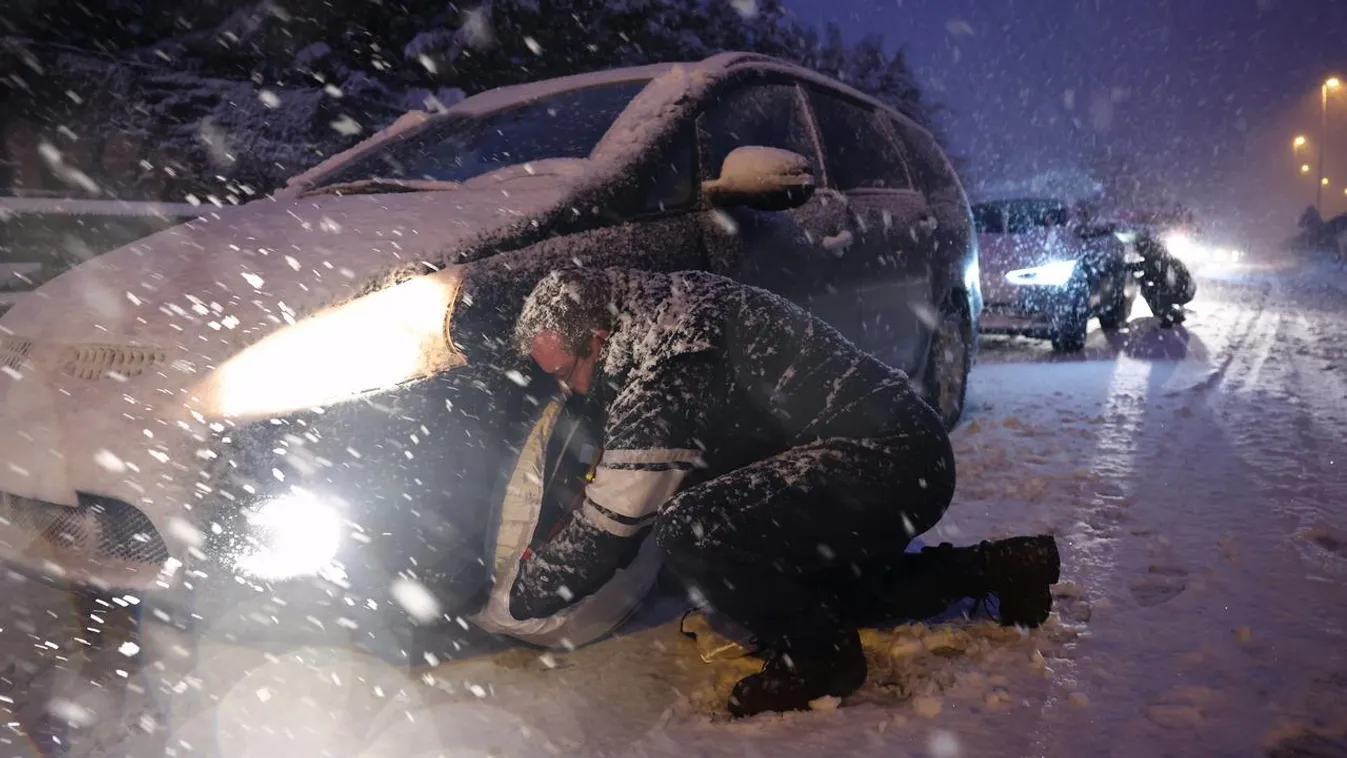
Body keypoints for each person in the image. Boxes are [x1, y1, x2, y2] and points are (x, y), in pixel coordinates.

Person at [454, 267, 1061, 717]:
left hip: (882, 460)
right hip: (906, 447)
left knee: (695, 528)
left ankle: (820, 661)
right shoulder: (667, 302)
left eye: (566, 373)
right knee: (834, 591)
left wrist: (508, 605)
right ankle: (1002, 568)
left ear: (598, 336)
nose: (569, 390)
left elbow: (610, 526)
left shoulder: (667, 367)